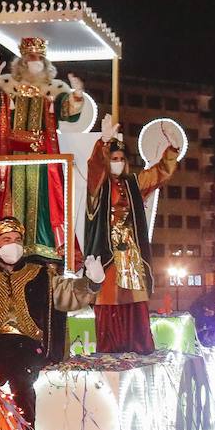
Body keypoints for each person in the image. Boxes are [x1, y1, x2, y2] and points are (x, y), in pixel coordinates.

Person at [0, 218, 106, 426]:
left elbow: (67, 293)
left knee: (21, 378)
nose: (13, 244)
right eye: (7, 239)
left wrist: (92, 284)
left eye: (17, 239)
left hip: (28, 345)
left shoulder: (41, 274)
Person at [0, 37, 88, 257]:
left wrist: (77, 94)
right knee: (10, 203)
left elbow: (69, 113)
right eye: (29, 57)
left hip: (42, 162)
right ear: (21, 61)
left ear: (45, 62)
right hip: (10, 161)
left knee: (44, 204)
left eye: (38, 57)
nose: (33, 61)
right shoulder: (6, 87)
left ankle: (43, 250)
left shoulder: (53, 90)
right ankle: (10, 248)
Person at [83, 116, 179, 353]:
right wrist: (102, 143)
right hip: (108, 252)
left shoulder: (133, 184)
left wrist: (172, 151)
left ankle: (139, 347)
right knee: (109, 300)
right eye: (113, 159)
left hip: (130, 250)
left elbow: (159, 174)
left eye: (121, 159)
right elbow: (94, 167)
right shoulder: (98, 186)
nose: (117, 162)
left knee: (135, 300)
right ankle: (111, 350)